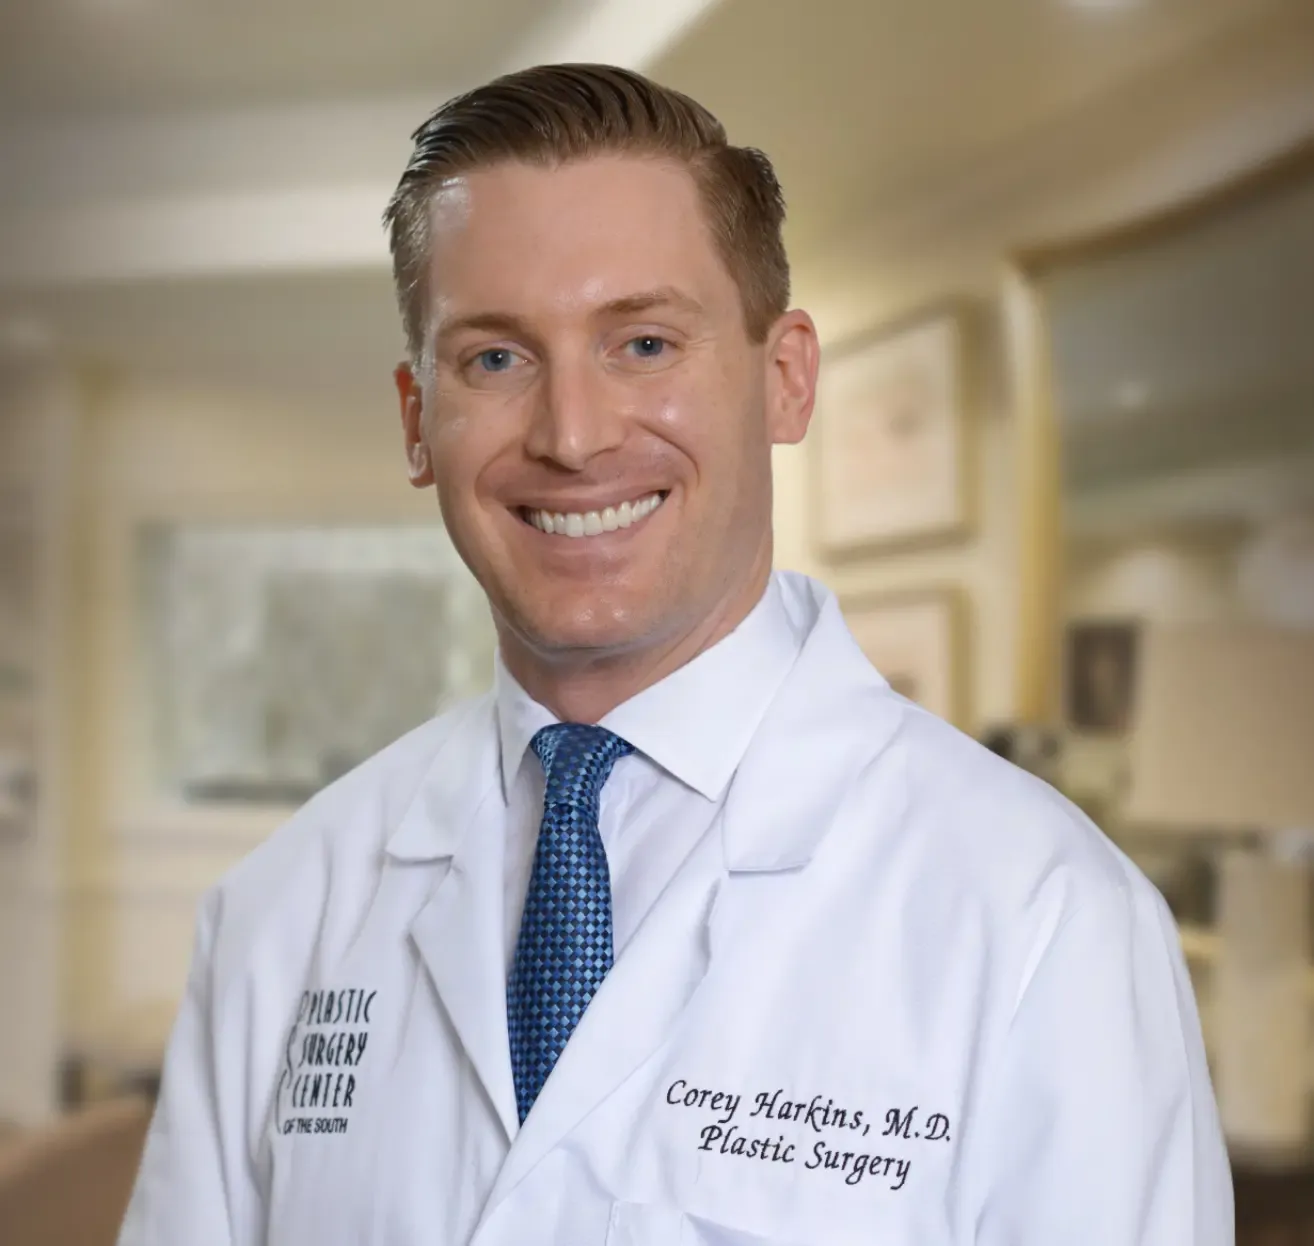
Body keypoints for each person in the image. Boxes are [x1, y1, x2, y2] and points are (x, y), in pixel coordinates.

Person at [118, 64, 1232, 1245]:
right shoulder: (281, 913)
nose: (574, 434)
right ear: (415, 420)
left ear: (785, 376)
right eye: (495, 359)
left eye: (643, 342)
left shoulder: (1046, 920)